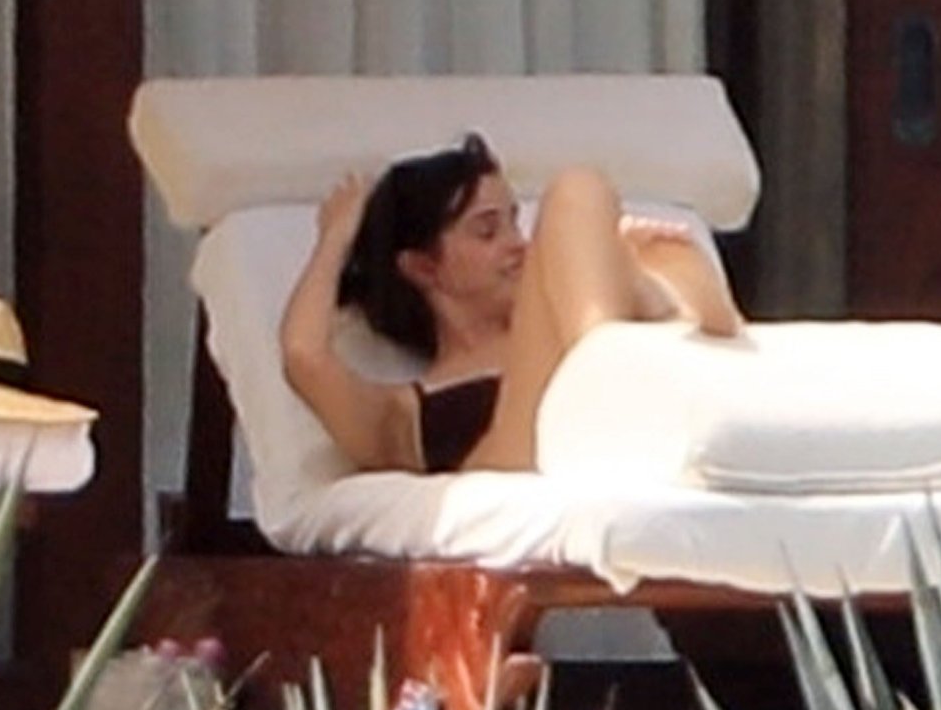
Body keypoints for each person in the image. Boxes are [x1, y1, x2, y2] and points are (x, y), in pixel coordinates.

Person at [280, 133, 742, 473]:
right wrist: (336, 237)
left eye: (514, 223)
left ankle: (666, 301)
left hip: (598, 383)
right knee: (574, 192)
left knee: (582, 198)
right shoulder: (399, 414)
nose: (517, 245)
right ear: (423, 267)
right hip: (509, 457)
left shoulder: (561, 318)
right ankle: (639, 330)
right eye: (487, 231)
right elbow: (304, 356)